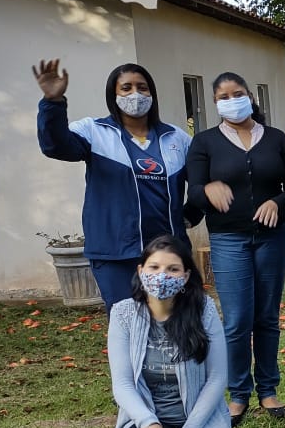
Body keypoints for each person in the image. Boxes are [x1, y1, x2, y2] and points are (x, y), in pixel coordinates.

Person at [34, 59, 201, 312]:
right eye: (126, 88)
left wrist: (190, 215)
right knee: (128, 325)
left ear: (152, 93)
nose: (136, 94)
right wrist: (53, 103)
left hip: (168, 252)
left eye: (142, 87)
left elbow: (203, 181)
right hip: (115, 253)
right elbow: (55, 146)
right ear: (114, 95)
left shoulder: (175, 138)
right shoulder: (94, 131)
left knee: (174, 322)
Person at [186, 72, 285, 424]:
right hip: (228, 239)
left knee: (267, 318)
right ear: (215, 102)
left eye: (237, 93)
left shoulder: (276, 139)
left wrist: (278, 203)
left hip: (271, 239)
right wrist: (208, 191)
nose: (231, 100)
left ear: (250, 97)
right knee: (236, 321)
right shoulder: (204, 142)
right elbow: (193, 191)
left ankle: (268, 390)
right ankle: (238, 394)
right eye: (223, 96)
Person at [108, 235, 246, 428]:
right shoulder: (123, 314)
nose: (162, 276)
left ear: (185, 277)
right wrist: (149, 423)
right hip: (149, 420)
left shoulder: (203, 309)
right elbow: (122, 384)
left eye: (172, 269)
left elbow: (217, 378)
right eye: (154, 267)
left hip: (198, 422)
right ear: (140, 271)